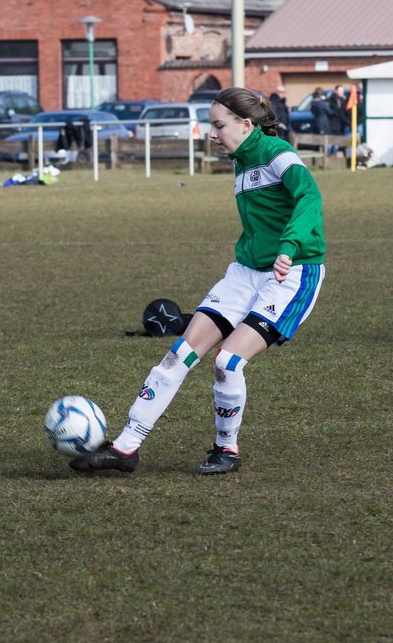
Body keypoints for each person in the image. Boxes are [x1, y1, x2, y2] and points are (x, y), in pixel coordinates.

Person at [71, 87, 326, 475]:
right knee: (178, 354)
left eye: (219, 125)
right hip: (245, 271)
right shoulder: (242, 157)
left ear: (245, 125)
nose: (212, 133)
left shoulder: (279, 155)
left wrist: (288, 247)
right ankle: (125, 448)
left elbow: (310, 198)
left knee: (228, 361)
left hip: (293, 273)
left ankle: (227, 449)